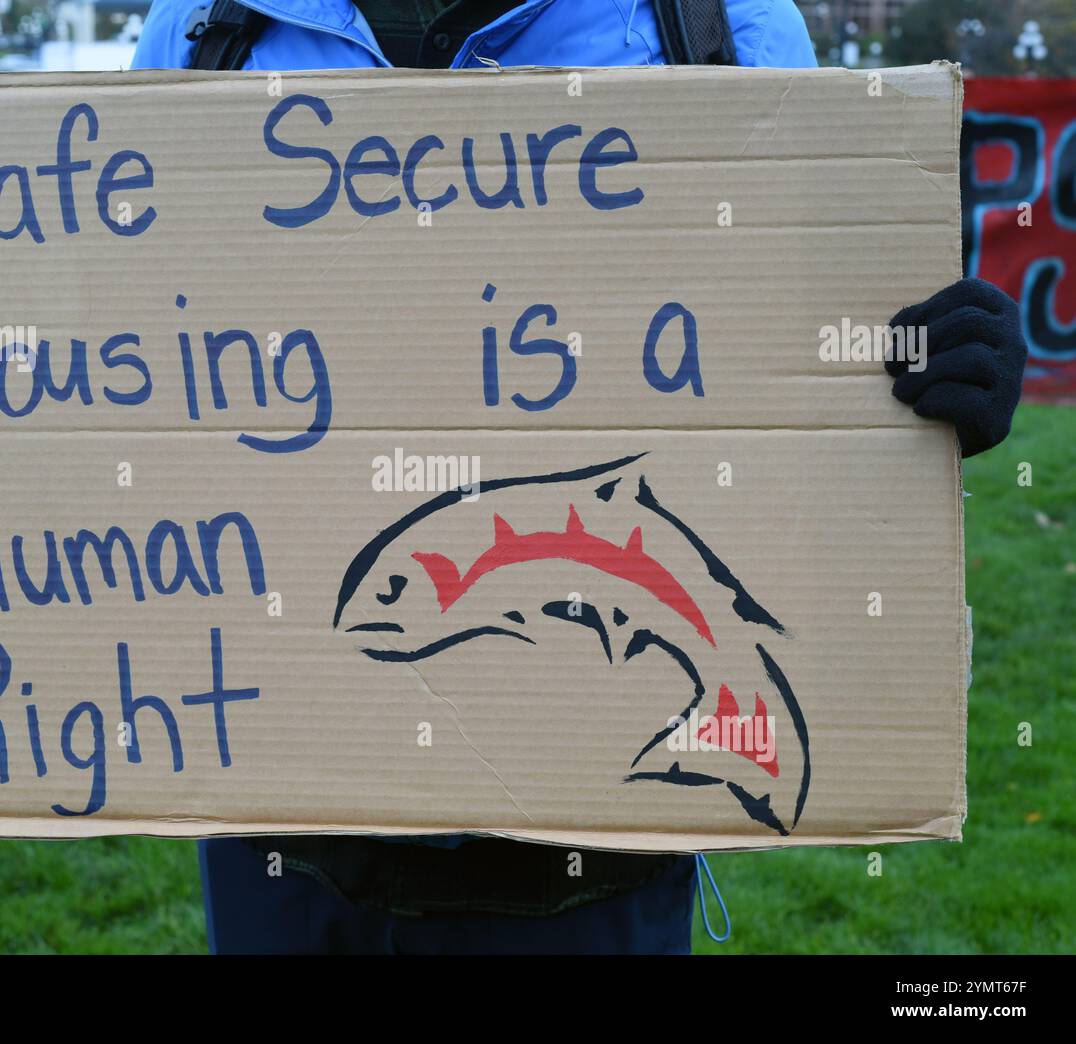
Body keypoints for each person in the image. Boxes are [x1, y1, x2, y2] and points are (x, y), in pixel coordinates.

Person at [131, 0, 1028, 954]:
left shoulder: (719, 21)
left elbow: (811, 335)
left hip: (593, 876)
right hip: (286, 859)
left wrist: (925, 386)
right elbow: (122, 330)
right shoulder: (203, 24)